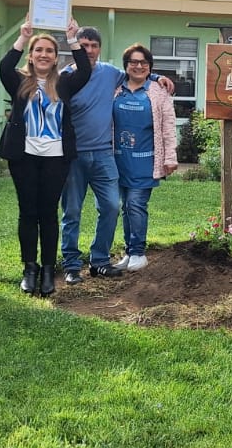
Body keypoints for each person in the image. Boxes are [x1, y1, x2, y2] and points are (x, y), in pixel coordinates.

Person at [58, 27, 173, 283]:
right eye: (83, 45)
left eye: (93, 46)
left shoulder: (110, 74)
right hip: (74, 156)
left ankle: (99, 260)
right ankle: (71, 264)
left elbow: (137, 73)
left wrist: (158, 77)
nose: (88, 50)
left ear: (99, 49)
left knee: (111, 206)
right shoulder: (64, 77)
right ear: (74, 47)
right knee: (72, 211)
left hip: (103, 154)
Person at [0, 18, 91, 297]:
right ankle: (30, 268)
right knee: (28, 211)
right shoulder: (19, 81)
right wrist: (22, 36)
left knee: (48, 213)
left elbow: (85, 70)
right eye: (38, 50)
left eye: (49, 51)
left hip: (56, 157)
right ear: (31, 55)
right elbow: (3, 67)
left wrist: (73, 38)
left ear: (55, 58)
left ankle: (49, 270)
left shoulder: (64, 83)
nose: (43, 55)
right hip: (23, 156)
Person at [111, 43, 180, 272]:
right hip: (118, 160)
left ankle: (139, 253)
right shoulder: (115, 88)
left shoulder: (158, 91)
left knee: (136, 204)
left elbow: (168, 126)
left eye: (144, 62)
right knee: (125, 207)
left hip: (145, 161)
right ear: (126, 66)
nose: (138, 66)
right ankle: (130, 253)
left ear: (150, 67)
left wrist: (170, 157)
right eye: (133, 62)